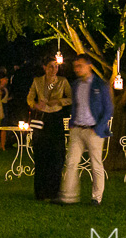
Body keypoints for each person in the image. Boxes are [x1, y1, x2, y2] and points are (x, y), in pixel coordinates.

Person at [56, 54, 113, 206]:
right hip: (77, 129)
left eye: (80, 66)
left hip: (93, 130)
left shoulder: (100, 85)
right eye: (75, 66)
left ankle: (96, 197)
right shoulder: (76, 85)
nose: (77, 69)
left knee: (96, 164)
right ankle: (68, 196)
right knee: (72, 162)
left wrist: (99, 128)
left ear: (89, 66)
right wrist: (73, 123)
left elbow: (108, 109)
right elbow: (75, 105)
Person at [28, 56, 72, 201]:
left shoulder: (62, 81)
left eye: (56, 66)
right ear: (45, 67)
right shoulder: (37, 81)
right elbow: (29, 98)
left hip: (56, 118)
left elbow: (71, 98)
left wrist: (59, 101)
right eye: (51, 66)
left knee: (56, 155)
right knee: (41, 154)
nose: (54, 69)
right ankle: (40, 192)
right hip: (42, 119)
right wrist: (35, 105)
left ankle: (54, 191)